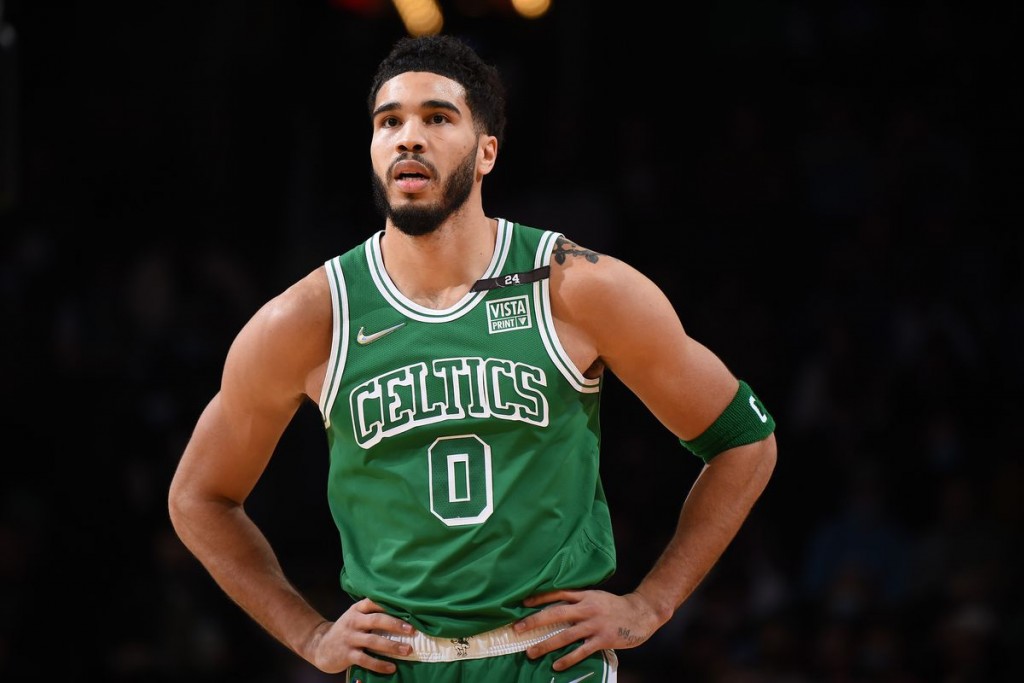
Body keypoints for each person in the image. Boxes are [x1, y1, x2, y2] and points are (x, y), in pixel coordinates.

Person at [167, 33, 778, 682]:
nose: (408, 137)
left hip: (549, 661)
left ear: (487, 151)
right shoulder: (310, 318)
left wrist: (652, 603)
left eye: (437, 117)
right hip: (398, 666)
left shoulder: (576, 287)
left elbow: (745, 441)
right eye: (389, 122)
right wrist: (309, 633)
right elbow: (199, 497)